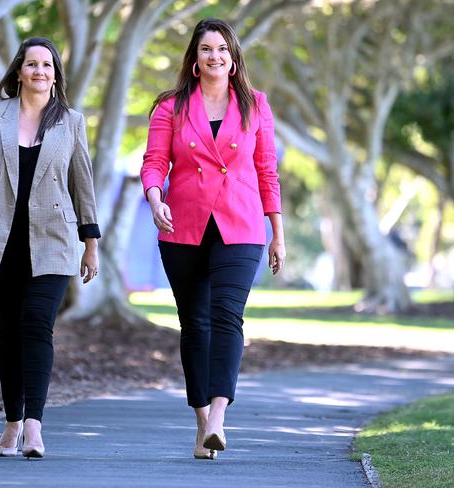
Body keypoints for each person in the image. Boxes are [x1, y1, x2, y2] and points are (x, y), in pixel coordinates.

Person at [0, 37, 100, 459]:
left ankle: (34, 425)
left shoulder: (70, 121)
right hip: (0, 239)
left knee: (37, 324)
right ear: (18, 72)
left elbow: (82, 184)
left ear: (56, 73)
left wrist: (91, 244)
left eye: (47, 65)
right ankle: (12, 420)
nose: (39, 71)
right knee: (10, 333)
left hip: (53, 239)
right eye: (31, 64)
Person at [141, 18, 285, 460]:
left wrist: (277, 232)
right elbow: (153, 163)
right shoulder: (170, 107)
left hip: (240, 227)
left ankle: (220, 417)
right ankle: (202, 421)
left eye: (223, 49)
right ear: (195, 59)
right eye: (206, 49)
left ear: (234, 60)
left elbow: (267, 172)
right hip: (182, 225)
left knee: (227, 318)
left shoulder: (256, 105)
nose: (215, 56)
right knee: (195, 325)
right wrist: (154, 199)